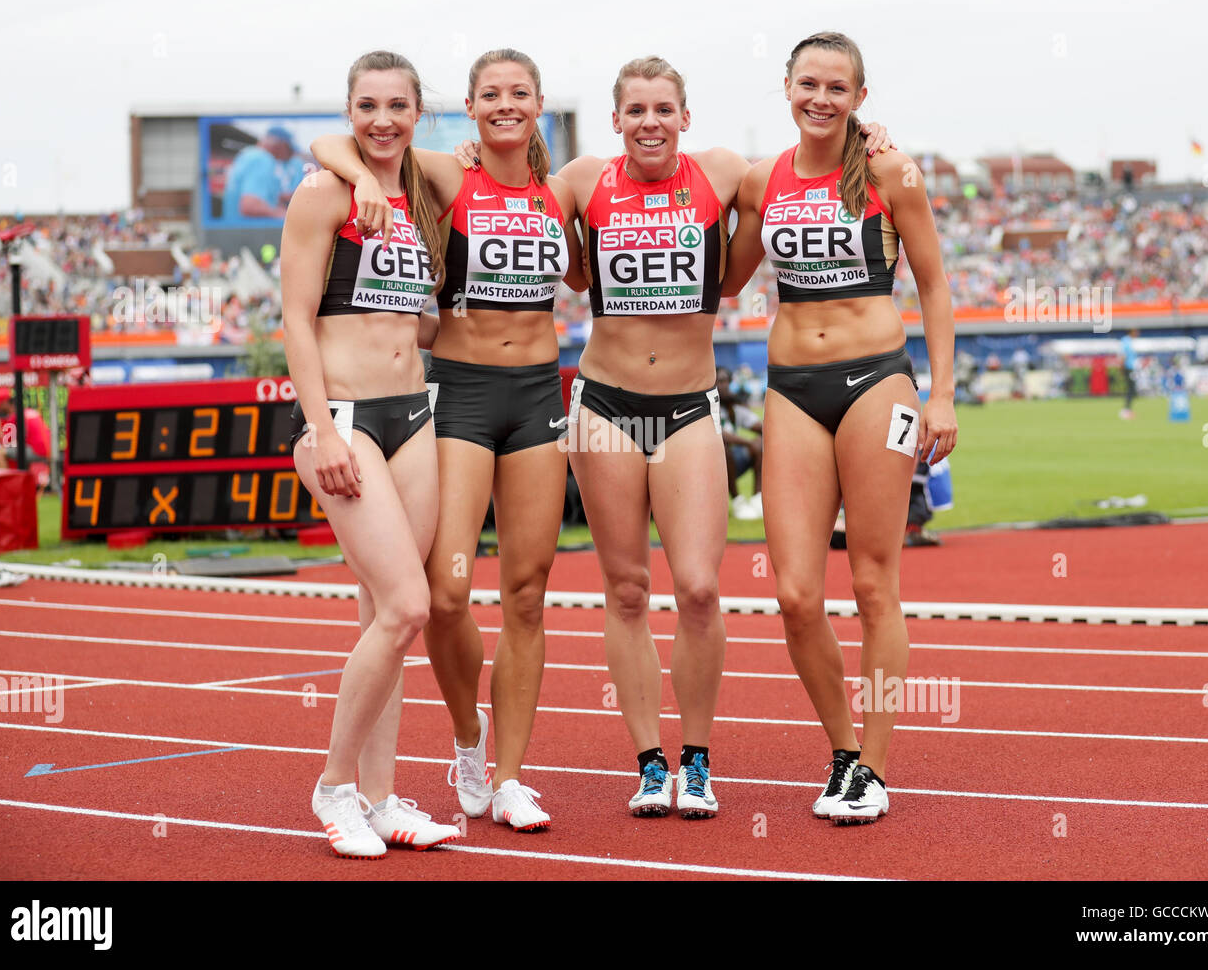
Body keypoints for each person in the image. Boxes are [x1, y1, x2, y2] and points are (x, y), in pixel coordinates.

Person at [562, 55, 894, 820]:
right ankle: (650, 762)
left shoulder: (724, 173)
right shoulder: (581, 180)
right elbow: (501, 196)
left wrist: (866, 136)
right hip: (605, 403)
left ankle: (699, 760)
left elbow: (806, 167)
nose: (650, 121)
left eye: (664, 109)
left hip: (687, 403)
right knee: (624, 589)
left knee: (702, 590)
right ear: (615, 119)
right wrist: (476, 149)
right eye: (635, 109)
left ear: (686, 115)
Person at [311, 48, 586, 832]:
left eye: (519, 94)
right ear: (468, 106)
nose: (505, 104)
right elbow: (340, 146)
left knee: (528, 593)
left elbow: (665, 163)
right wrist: (362, 177)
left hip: (539, 398)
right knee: (448, 593)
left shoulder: (565, 189)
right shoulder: (442, 173)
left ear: (539, 105)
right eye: (490, 94)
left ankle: (507, 777)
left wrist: (864, 138)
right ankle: (467, 738)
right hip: (460, 397)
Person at [723, 32, 955, 824]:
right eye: (808, 84)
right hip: (791, 389)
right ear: (786, 86)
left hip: (878, 385)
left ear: (860, 97)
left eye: (837, 88)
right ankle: (843, 752)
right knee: (793, 593)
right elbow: (726, 281)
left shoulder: (893, 172)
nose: (820, 99)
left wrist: (943, 396)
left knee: (871, 581)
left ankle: (877, 768)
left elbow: (934, 287)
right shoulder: (762, 180)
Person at [281, 50, 460, 857]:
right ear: (348, 111)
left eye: (397, 105)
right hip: (346, 417)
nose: (382, 119)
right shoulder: (324, 192)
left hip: (412, 414)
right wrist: (318, 429)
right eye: (366, 106)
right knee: (407, 608)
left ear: (419, 113)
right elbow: (294, 321)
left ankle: (382, 799)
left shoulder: (423, 195)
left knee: (383, 615)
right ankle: (333, 786)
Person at [223, 126, 301, 221]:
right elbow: (251, 206)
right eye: (289, 150)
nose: (291, 155)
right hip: (247, 232)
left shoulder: (248, 155)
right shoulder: (262, 159)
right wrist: (289, 218)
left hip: (233, 229)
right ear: (280, 145)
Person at [716, 366, 763, 519]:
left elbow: (760, 427)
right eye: (718, 381)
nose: (722, 385)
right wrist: (748, 443)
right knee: (723, 448)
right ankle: (737, 502)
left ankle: (757, 498)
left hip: (733, 463)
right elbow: (719, 435)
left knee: (761, 443)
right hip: (711, 466)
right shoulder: (706, 407)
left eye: (725, 381)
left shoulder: (733, 407)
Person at [1119, 327, 1139, 418]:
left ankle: (1127, 409)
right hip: (1128, 368)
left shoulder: (1130, 341)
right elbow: (1123, 356)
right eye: (1136, 331)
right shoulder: (1126, 342)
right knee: (1131, 389)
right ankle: (1126, 410)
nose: (1137, 333)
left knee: (1132, 389)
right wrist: (1122, 369)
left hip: (1131, 368)